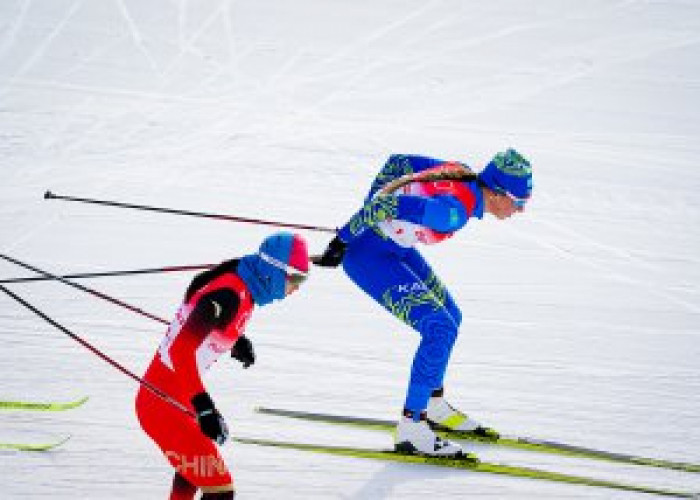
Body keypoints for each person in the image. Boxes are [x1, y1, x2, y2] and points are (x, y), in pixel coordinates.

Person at [315, 149, 532, 458]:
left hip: (395, 249)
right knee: (439, 327)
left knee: (451, 317)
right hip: (370, 256)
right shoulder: (452, 212)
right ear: (497, 193)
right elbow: (384, 205)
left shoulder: (462, 172)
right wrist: (343, 241)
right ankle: (412, 427)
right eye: (519, 202)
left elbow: (397, 163)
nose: (520, 210)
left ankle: (433, 404)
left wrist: (369, 221)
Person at [136, 232, 310, 499]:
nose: (297, 288)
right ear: (273, 271)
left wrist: (235, 340)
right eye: (295, 278)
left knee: (195, 472)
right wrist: (205, 408)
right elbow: (180, 351)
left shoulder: (244, 284)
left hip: (178, 400)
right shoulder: (228, 295)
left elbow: (207, 323)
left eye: (303, 280)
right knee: (221, 492)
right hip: (162, 405)